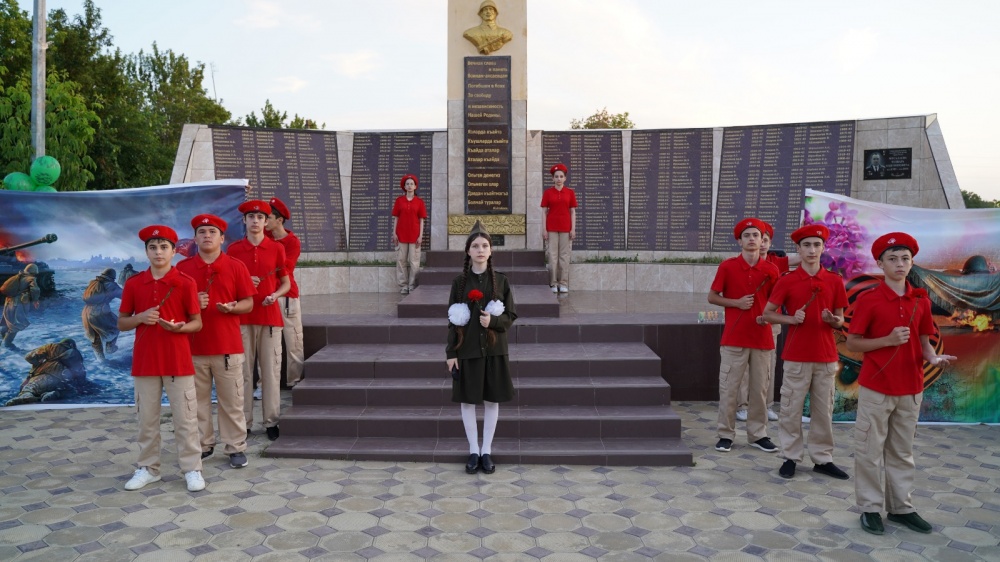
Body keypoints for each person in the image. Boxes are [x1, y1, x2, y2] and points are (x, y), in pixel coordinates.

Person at [846, 232, 956, 535]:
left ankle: (901, 508)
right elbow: (853, 342)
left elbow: (924, 342)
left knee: (902, 452)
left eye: (905, 258)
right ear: (880, 263)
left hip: (911, 388)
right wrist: (887, 340)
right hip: (877, 388)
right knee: (869, 450)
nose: (899, 264)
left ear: (911, 263)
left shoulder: (921, 301)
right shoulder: (868, 300)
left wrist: (933, 358)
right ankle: (870, 508)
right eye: (892, 258)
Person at [117, 225, 205, 492]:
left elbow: (197, 323)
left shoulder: (186, 282)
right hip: (145, 362)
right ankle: (148, 468)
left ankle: (192, 469)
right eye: (153, 247)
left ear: (173, 251)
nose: (158, 252)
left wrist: (180, 328)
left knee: (186, 418)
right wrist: (141, 318)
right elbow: (122, 323)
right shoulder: (134, 284)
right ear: (146, 251)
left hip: (178, 361)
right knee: (146, 419)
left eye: (164, 247)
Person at [763, 225, 849, 480]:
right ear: (798, 249)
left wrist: (833, 320)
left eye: (817, 245)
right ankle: (790, 456)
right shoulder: (787, 280)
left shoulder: (834, 280)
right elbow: (768, 313)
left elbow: (841, 320)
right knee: (791, 409)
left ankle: (823, 459)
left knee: (823, 411)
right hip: (796, 356)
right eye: (807, 245)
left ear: (823, 248)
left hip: (825, 357)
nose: (812, 250)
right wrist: (790, 319)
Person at [177, 214, 255, 468]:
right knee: (196, 402)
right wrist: (192, 304)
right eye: (202, 232)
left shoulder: (236, 266)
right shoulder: (183, 269)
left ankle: (235, 446)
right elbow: (173, 307)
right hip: (193, 347)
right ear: (195, 238)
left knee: (232, 401)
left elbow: (248, 302)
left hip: (227, 347)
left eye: (212, 232)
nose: (207, 236)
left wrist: (234, 307)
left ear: (222, 238)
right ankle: (203, 444)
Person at [445, 221, 517, 475]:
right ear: (468, 251)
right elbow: (452, 320)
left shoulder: (502, 281)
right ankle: (473, 450)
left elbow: (510, 315)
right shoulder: (459, 283)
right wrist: (451, 353)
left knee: (491, 400)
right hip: (468, 350)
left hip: (494, 351)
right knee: (468, 401)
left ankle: (486, 450)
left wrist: (493, 322)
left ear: (491, 250)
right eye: (475, 246)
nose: (480, 250)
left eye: (485, 245)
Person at [709, 218, 780, 453]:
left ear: (762, 240)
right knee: (729, 389)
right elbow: (712, 297)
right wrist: (736, 303)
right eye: (747, 235)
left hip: (762, 339)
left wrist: (768, 317)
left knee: (759, 390)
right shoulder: (727, 267)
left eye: (756, 235)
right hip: (733, 339)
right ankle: (725, 434)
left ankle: (758, 434)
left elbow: (776, 303)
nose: (751, 239)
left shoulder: (771, 270)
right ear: (739, 241)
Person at [228, 200, 290, 441]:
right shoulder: (234, 250)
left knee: (271, 372)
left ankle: (271, 421)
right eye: (251, 217)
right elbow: (227, 286)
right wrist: (243, 284)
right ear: (244, 220)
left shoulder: (276, 248)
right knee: (242, 373)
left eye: (260, 217)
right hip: (242, 318)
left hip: (269, 317)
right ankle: (243, 423)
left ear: (266, 222)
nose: (255, 221)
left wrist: (275, 295)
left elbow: (285, 282)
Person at [266, 197, 305, 387]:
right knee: (266, 344)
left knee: (293, 341)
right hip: (266, 296)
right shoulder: (262, 237)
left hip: (286, 296)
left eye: (267, 217)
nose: (263, 221)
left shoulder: (292, 242)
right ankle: (264, 383)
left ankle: (294, 380)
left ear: (279, 220)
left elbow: (285, 268)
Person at [540, 163, 577, 294]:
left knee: (564, 256)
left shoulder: (570, 193)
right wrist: (544, 229)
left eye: (561, 176)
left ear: (565, 178)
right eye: (556, 176)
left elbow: (572, 212)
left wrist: (573, 229)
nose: (559, 179)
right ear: (553, 178)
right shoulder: (548, 193)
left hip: (566, 228)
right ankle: (553, 283)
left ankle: (563, 283)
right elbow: (544, 212)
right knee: (552, 256)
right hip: (551, 228)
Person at [391, 175, 427, 295]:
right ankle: (403, 286)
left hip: (414, 236)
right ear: (404, 186)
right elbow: (396, 218)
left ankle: (412, 286)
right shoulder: (399, 201)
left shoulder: (419, 202)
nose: (410, 186)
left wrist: (420, 236)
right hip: (401, 235)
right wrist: (394, 233)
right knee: (401, 261)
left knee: (414, 262)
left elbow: (421, 220)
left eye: (412, 184)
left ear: (415, 186)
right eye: (407, 184)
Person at [82, 268, 123, 361]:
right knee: (117, 325)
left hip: (86, 312)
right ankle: (110, 347)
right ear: (112, 277)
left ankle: (100, 360)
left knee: (95, 336)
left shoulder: (93, 282)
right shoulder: (111, 285)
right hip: (100, 311)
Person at [1, 263, 41, 350]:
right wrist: (35, 300)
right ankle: (7, 344)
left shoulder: (16, 277)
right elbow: (35, 289)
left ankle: (2, 340)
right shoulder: (31, 278)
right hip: (17, 304)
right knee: (17, 324)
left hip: (8, 302)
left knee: (7, 322)